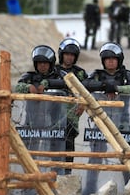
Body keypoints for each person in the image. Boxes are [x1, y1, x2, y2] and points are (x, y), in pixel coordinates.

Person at [82, 42, 130, 195]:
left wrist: (116, 88)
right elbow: (85, 85)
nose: (110, 61)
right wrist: (105, 85)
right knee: (96, 156)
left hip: (123, 122)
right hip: (101, 121)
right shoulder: (97, 74)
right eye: (107, 59)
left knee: (126, 156)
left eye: (113, 58)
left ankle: (129, 188)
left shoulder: (126, 75)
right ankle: (90, 187)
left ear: (119, 60)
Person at [15, 45, 68, 177]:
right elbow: (18, 86)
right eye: (39, 63)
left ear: (50, 64)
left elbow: (67, 84)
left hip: (56, 121)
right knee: (31, 152)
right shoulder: (29, 76)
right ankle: (30, 180)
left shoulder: (60, 75)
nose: (42, 66)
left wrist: (47, 84)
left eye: (45, 63)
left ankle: (56, 179)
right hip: (32, 121)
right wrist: (29, 87)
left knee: (56, 152)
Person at [56, 38, 88, 174]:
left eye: (72, 55)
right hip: (53, 113)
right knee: (53, 143)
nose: (69, 57)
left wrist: (83, 103)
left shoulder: (80, 73)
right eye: (67, 54)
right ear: (61, 55)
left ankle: (67, 173)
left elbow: (87, 90)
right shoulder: (54, 70)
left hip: (72, 115)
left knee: (69, 143)